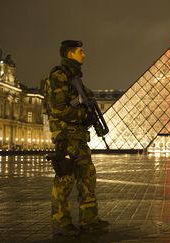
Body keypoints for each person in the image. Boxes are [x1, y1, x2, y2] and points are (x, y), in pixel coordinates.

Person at [43, 40, 109, 236]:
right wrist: (83, 115)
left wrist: (88, 117)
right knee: (65, 180)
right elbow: (58, 108)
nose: (84, 54)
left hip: (79, 137)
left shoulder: (75, 77)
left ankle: (89, 220)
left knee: (88, 178)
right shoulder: (59, 75)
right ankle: (61, 223)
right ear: (70, 53)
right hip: (66, 136)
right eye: (81, 51)